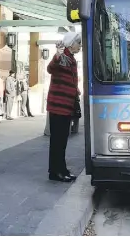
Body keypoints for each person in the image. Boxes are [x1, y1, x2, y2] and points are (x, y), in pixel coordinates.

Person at [46, 32, 82, 182]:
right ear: (71, 44)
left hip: (65, 106)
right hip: (59, 106)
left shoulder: (71, 59)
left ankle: (59, 170)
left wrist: (76, 89)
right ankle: (57, 172)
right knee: (58, 141)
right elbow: (51, 67)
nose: (80, 46)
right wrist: (57, 55)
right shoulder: (63, 57)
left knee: (60, 141)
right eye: (78, 43)